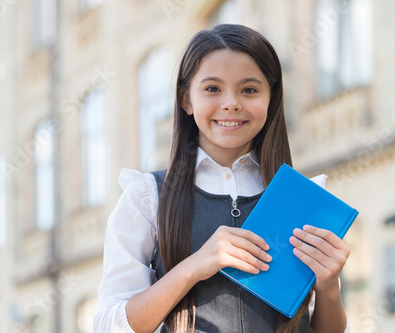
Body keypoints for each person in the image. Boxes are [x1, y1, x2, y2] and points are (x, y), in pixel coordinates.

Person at [94, 24, 351, 333]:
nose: (231, 103)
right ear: (186, 100)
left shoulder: (301, 197)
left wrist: (329, 286)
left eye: (250, 90)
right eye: (213, 88)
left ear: (272, 99)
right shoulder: (147, 197)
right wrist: (194, 266)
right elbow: (111, 325)